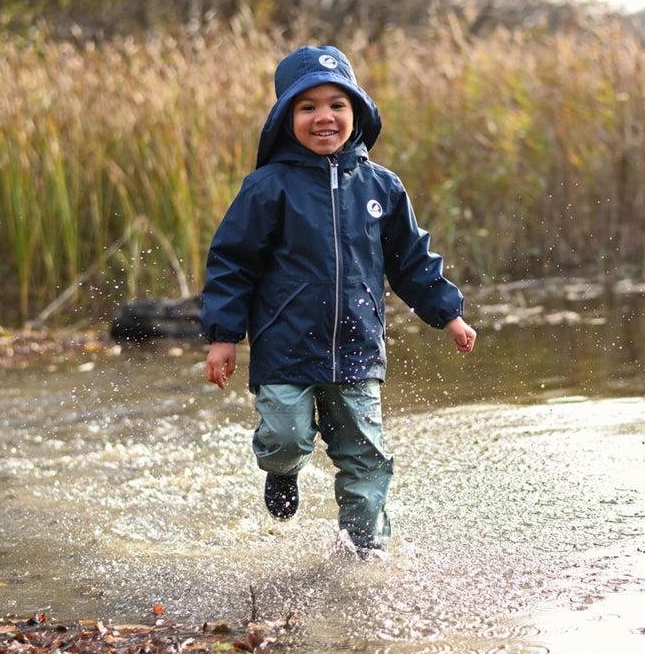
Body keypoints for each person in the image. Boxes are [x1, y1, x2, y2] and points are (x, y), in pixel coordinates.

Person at [200, 45, 476, 560]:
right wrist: (223, 336)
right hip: (284, 346)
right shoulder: (268, 188)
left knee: (364, 457)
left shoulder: (382, 187)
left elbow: (411, 259)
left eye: (336, 104)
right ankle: (281, 471)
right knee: (286, 435)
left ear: (357, 112)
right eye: (307, 107)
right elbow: (233, 263)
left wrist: (448, 313)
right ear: (286, 118)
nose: (323, 116)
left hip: (357, 347)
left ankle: (364, 551)